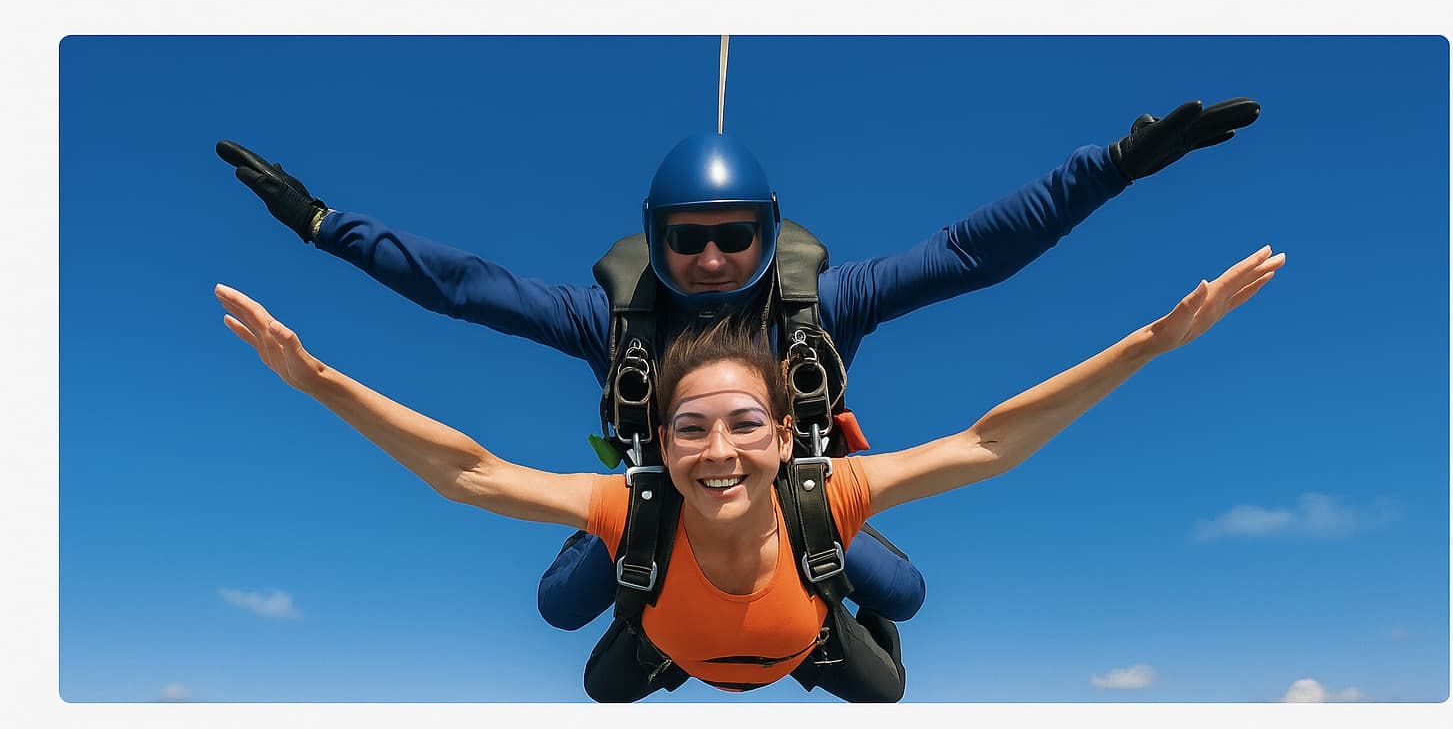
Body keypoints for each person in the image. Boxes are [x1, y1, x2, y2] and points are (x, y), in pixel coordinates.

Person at [215, 96, 1260, 632]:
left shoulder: (829, 303)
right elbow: (461, 287)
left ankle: (809, 619)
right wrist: (321, 224)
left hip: (797, 497)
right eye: (687, 239)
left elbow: (972, 254)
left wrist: (1113, 166)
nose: (710, 258)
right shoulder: (606, 320)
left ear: (768, 231)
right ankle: (668, 618)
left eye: (732, 236)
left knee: (899, 596)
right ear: (654, 237)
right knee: (560, 609)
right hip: (657, 499)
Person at [214, 245, 1284, 701]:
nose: (716, 451)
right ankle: (655, 641)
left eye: (740, 425)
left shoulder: (832, 490)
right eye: (688, 431)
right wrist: (318, 381)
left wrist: (1151, 340)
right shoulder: (627, 500)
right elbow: (468, 469)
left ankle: (827, 629)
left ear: (784, 436)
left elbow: (991, 439)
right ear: (660, 445)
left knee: (887, 679)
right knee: (599, 681)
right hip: (676, 633)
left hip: (802, 637)